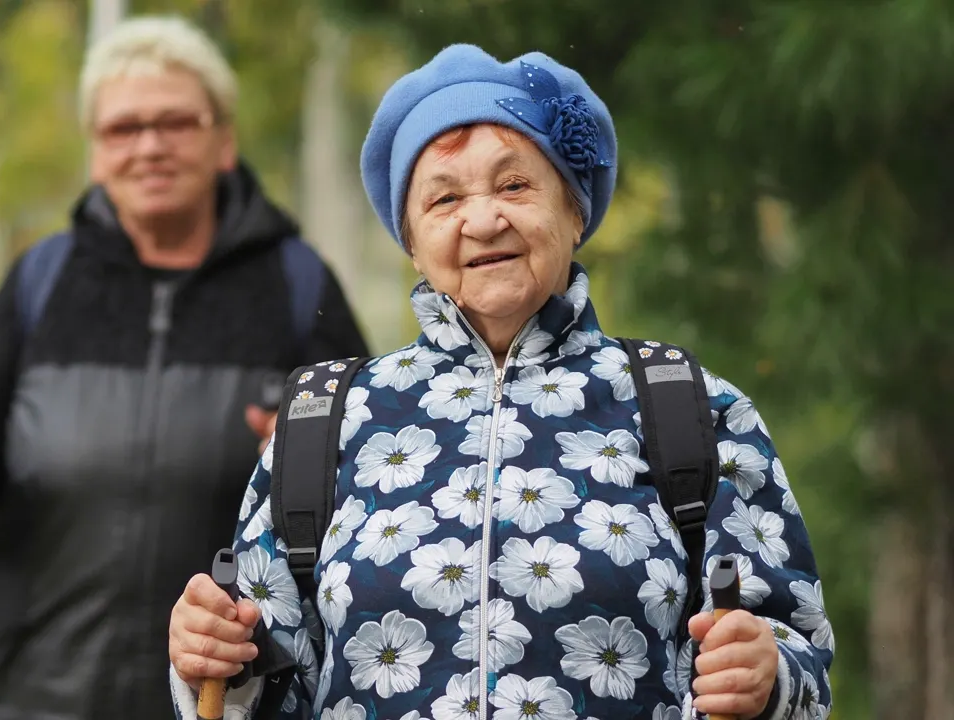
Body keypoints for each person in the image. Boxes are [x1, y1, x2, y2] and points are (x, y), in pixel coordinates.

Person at [167, 45, 835, 719]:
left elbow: (797, 649)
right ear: (412, 239)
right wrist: (216, 659)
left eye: (514, 186)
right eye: (445, 198)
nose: (482, 220)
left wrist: (769, 675)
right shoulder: (325, 421)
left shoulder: (690, 408)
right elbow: (256, 686)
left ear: (575, 212)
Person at [0, 14, 369, 719]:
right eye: (122, 129)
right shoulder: (40, 280)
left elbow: (373, 478)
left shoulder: (298, 285)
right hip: (33, 693)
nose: (149, 146)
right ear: (97, 153)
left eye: (175, 122)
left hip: (218, 697)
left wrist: (298, 471)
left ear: (223, 141)